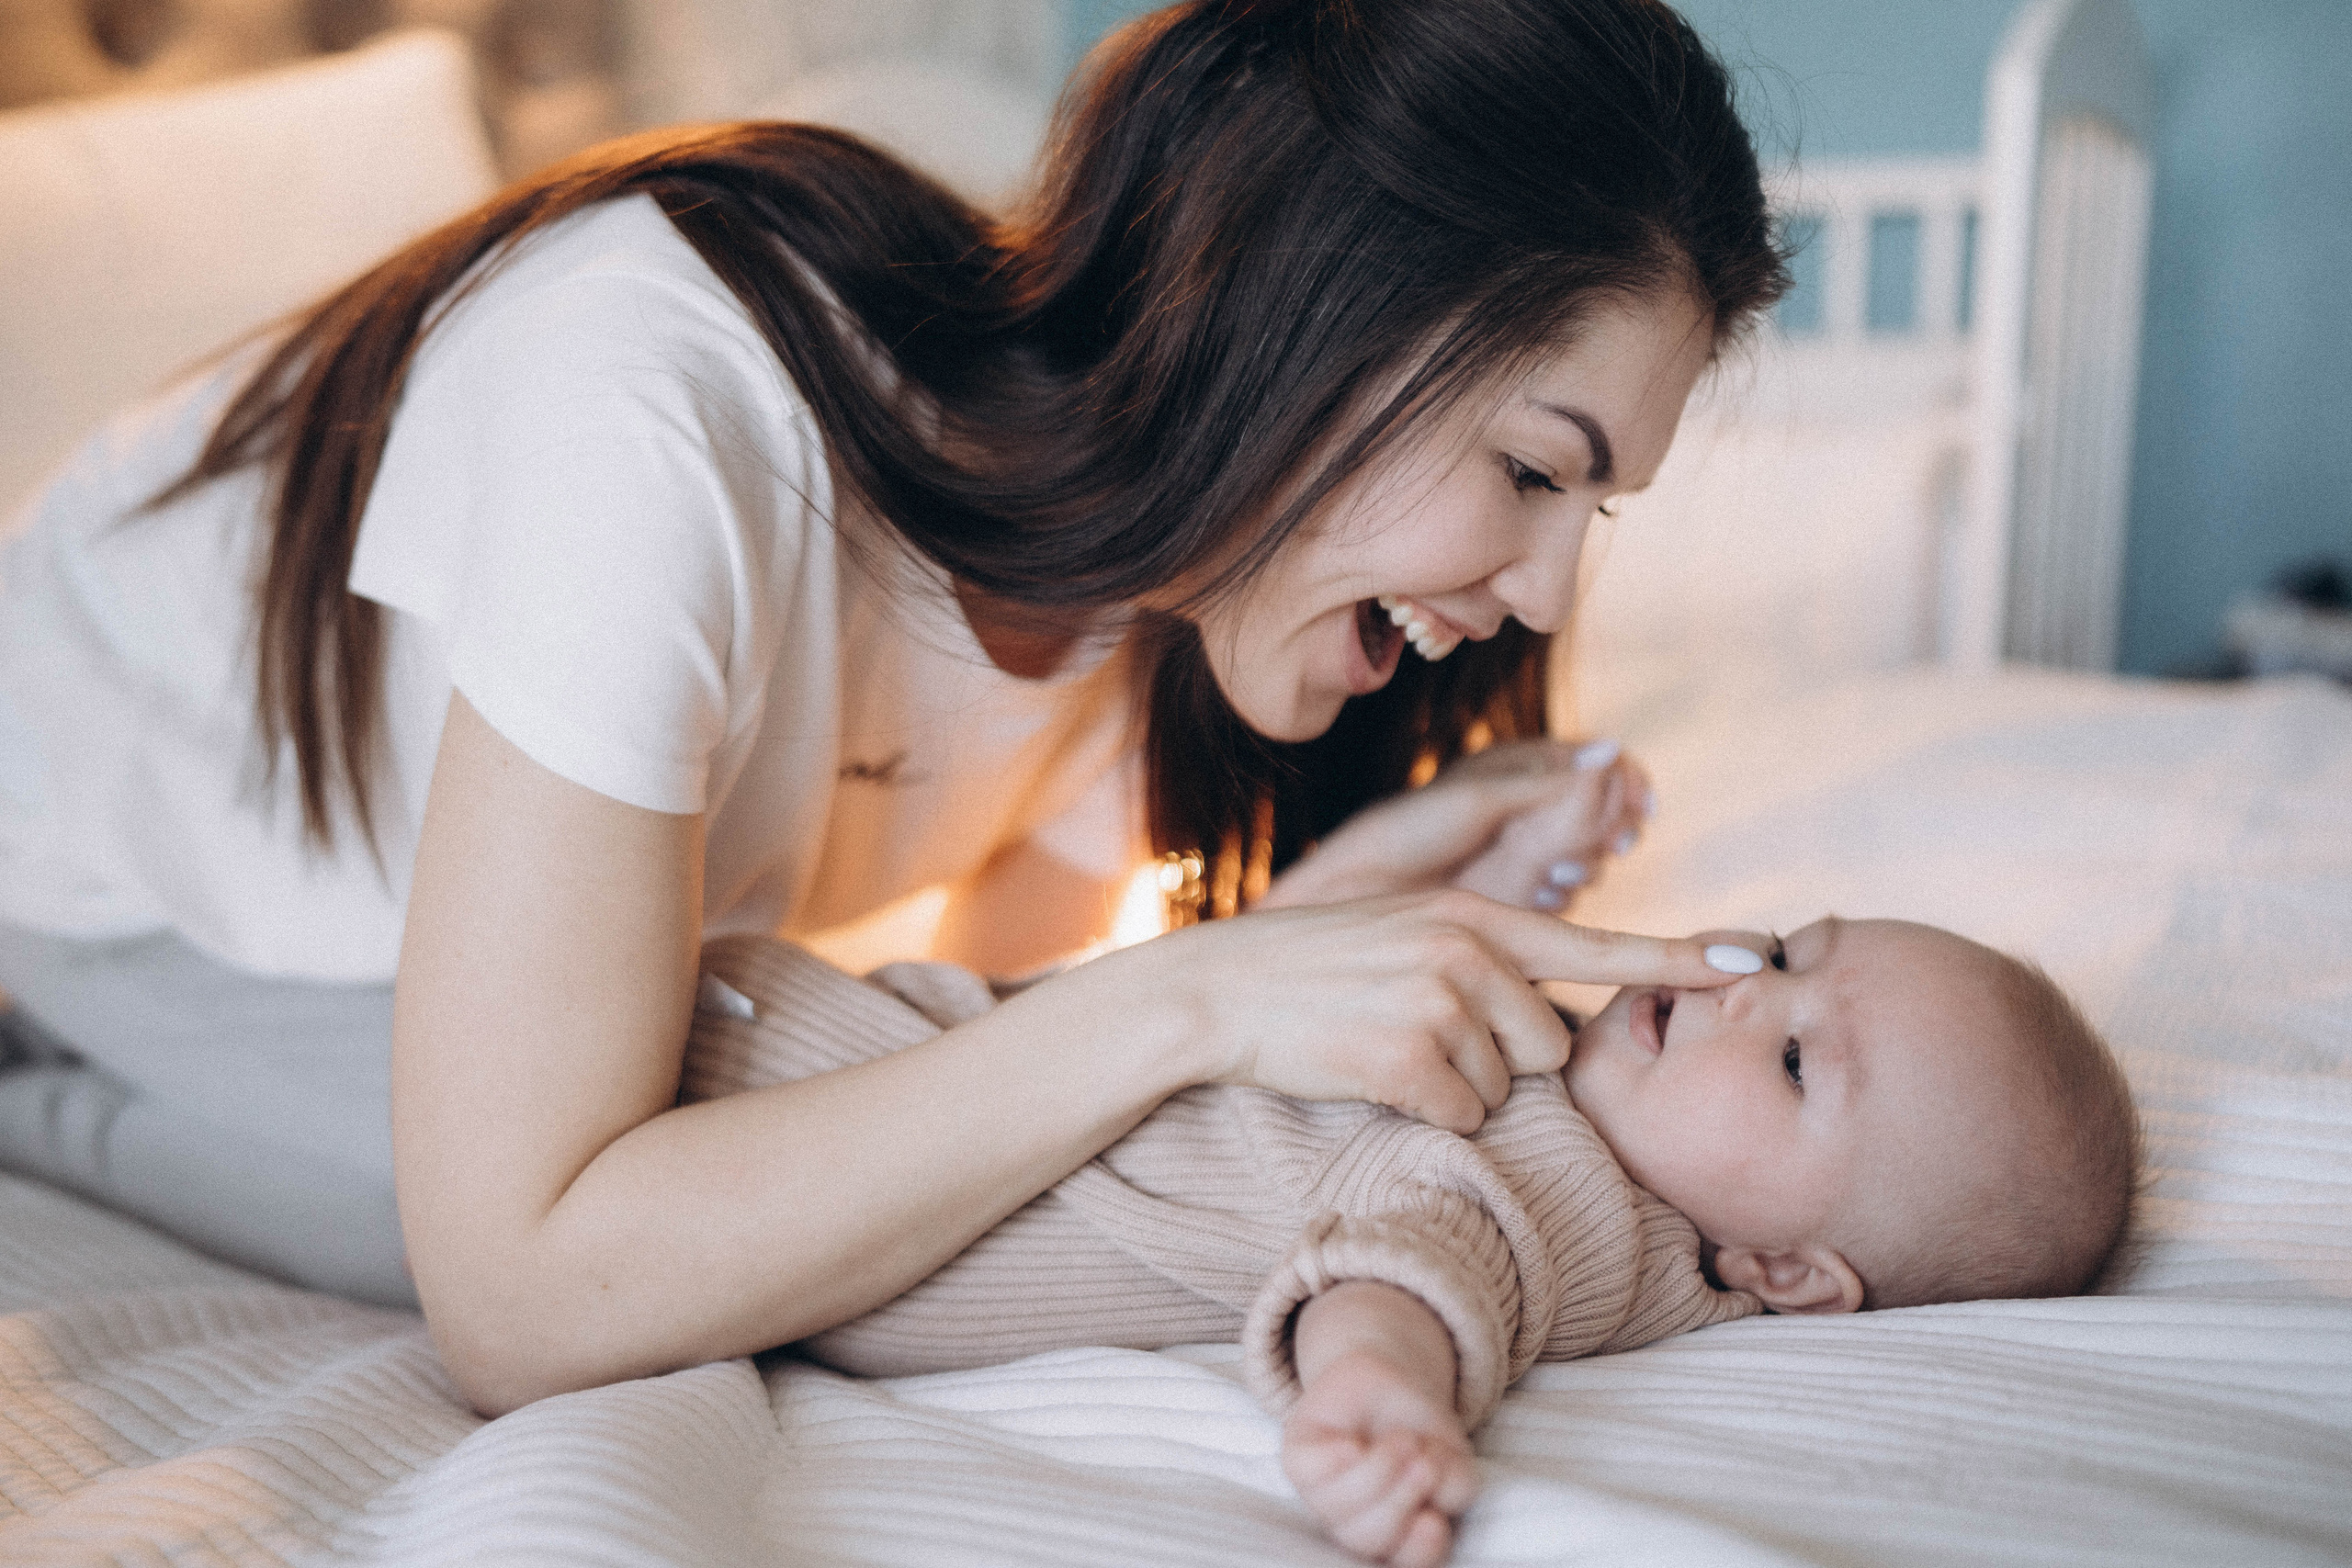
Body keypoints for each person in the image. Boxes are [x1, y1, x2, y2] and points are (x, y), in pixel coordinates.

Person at [0, 0, 1790, 1416]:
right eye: (1531, 470)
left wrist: (1332, 923)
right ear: (1311, 311)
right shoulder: (653, 398)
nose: (1546, 600)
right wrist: (1201, 992)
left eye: (1591, 510)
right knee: (580, 1235)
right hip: (110, 869)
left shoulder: (1148, 595)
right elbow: (523, 1300)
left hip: (385, 915)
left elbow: (967, 1072)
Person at [676, 911, 2139, 1568]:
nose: (1744, 993)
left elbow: (1428, 1259)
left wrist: (1378, 1386)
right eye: (1785, 951)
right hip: (829, 1060)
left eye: (1799, 1061)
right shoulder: (1564, 1065)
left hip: (767, 1137)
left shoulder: (1585, 1196)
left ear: (1786, 1273)